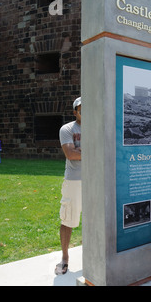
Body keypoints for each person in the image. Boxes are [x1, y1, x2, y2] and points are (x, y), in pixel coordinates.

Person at [55, 97, 82, 275]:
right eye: (81, 109)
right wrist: (94, 150)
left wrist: (81, 150)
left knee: (97, 219)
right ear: (75, 112)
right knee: (68, 220)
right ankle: (65, 257)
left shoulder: (97, 127)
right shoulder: (67, 129)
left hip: (96, 178)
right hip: (74, 180)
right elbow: (71, 154)